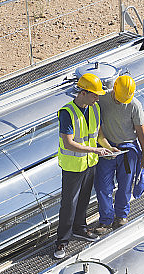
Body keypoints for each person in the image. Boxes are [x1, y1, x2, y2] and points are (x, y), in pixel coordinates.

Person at [53, 72, 113, 259]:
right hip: (73, 165)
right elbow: (68, 143)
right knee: (68, 205)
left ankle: (80, 228)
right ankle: (62, 241)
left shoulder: (95, 109)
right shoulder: (67, 113)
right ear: (83, 93)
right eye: (95, 94)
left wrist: (109, 148)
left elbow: (98, 135)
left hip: (89, 164)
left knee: (84, 199)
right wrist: (95, 151)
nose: (97, 98)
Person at [93, 74, 144, 234]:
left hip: (127, 151)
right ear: (114, 89)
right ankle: (105, 220)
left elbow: (140, 130)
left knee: (125, 185)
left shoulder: (134, 105)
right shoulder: (102, 100)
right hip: (107, 149)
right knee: (103, 186)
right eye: (118, 98)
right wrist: (107, 146)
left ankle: (121, 216)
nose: (120, 102)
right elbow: (97, 123)